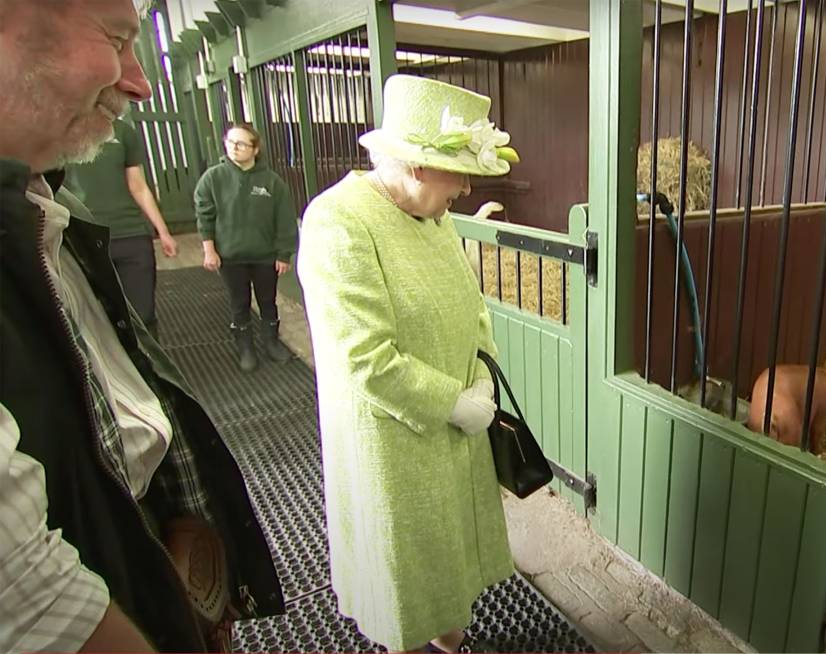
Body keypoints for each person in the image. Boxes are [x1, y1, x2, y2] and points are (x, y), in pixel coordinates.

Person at [0, 1, 283, 651]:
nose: (139, 79)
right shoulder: (207, 182)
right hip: (103, 588)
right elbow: (29, 597)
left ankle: (262, 335)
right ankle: (244, 340)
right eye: (117, 39)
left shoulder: (46, 211)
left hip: (146, 550)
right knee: (238, 306)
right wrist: (196, 239)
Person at [298, 74, 521, 653]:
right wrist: (450, 401)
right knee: (404, 569)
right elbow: (363, 356)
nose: (469, 189)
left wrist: (482, 370)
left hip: (456, 423)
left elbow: (471, 304)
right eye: (462, 173)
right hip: (394, 439)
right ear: (416, 165)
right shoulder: (338, 221)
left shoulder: (435, 215)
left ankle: (451, 640)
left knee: (447, 557)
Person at [194, 123, 298, 373]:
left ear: (255, 148)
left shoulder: (272, 182)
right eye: (230, 142)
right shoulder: (213, 178)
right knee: (239, 303)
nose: (234, 148)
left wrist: (284, 253)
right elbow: (204, 215)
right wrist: (209, 250)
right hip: (230, 257)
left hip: (264, 256)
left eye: (241, 144)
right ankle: (246, 348)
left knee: (267, 301)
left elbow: (284, 219)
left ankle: (272, 344)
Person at [66, 117, 179, 337]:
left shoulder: (123, 131)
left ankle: (151, 369)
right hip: (84, 237)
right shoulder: (56, 129)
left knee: (143, 314)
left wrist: (163, 231)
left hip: (131, 233)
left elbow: (138, 186)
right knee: (99, 317)